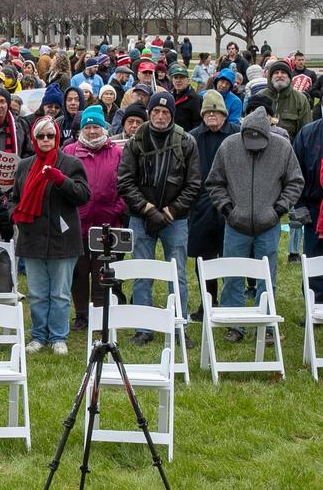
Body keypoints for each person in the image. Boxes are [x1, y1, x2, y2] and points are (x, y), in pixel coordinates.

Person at [205, 108, 304, 343]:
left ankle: (267, 324)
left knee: (267, 277)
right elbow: (214, 182)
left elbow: (295, 181)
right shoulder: (229, 146)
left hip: (268, 224)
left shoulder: (283, 148)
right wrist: (228, 209)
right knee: (232, 275)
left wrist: (278, 209)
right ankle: (234, 324)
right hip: (235, 224)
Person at [116, 92, 201, 344]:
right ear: (149, 113)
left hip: (176, 219)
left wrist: (171, 211)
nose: (160, 116)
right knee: (143, 272)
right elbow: (124, 181)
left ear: (172, 115)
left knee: (178, 275)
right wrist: (148, 209)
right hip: (140, 217)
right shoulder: (136, 142)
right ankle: (144, 327)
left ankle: (178, 326)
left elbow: (194, 184)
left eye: (165, 113)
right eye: (156, 112)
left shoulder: (187, 142)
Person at [10, 117, 90, 355]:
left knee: (60, 292)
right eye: (41, 136)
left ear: (57, 136)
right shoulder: (25, 165)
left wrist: (61, 180)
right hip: (32, 236)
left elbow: (83, 195)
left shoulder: (71, 163)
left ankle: (58, 337)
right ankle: (38, 336)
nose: (46, 140)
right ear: (34, 139)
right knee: (36, 292)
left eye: (50, 136)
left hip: (61, 237)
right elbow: (15, 197)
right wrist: (15, 214)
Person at [63, 106, 126, 331]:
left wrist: (117, 209)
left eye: (96, 127)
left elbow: (125, 184)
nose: (91, 131)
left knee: (102, 269)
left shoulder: (117, 153)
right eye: (87, 127)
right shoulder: (69, 151)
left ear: (104, 128)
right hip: (77, 221)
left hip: (107, 221)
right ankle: (81, 314)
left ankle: (100, 314)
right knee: (79, 271)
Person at [188, 91, 240, 319]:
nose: (211, 115)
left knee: (230, 255)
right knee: (204, 257)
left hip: (231, 203)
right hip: (201, 204)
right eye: (207, 112)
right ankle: (208, 301)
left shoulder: (236, 135)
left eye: (216, 111)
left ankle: (231, 303)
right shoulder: (193, 138)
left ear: (224, 114)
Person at [260, 59, 311, 141]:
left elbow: (306, 132)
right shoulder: (260, 96)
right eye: (276, 73)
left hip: (290, 148)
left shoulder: (300, 99)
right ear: (270, 77)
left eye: (283, 72)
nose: (279, 75)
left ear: (289, 77)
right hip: (263, 146)